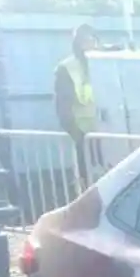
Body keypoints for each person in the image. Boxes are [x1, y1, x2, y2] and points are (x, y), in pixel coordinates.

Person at [53, 24, 98, 178]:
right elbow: (62, 106)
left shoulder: (103, 64)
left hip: (109, 132)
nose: (89, 44)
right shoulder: (67, 68)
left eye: (92, 40)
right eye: (84, 40)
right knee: (89, 178)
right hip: (84, 134)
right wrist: (76, 133)